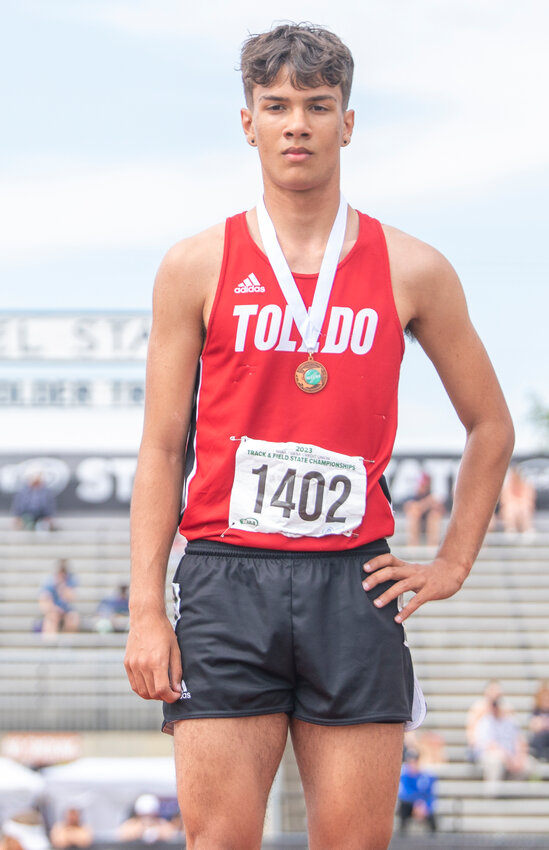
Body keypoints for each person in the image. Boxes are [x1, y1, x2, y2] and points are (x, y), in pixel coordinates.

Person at [124, 22, 514, 850]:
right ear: (247, 121)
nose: (295, 123)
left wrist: (451, 563)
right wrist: (144, 611)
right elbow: (162, 448)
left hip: (352, 583)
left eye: (316, 104)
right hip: (228, 578)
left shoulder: (413, 268)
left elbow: (490, 427)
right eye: (276, 105)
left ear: (346, 122)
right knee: (219, 841)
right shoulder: (195, 265)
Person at [471, 695, 531, 793]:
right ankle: (492, 794)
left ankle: (513, 792)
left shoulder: (511, 721)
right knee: (495, 761)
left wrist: (519, 757)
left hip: (511, 756)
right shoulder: (485, 722)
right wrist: (509, 758)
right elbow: (491, 745)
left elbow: (519, 740)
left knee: (528, 765)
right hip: (492, 755)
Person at [397, 749, 437, 834]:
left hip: (422, 806)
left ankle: (433, 838)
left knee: (432, 816)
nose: (412, 765)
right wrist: (416, 803)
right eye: (410, 762)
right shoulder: (404, 776)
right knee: (403, 807)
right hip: (410, 805)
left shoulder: (426, 776)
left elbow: (430, 795)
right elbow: (403, 794)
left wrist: (424, 806)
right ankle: (402, 835)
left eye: (414, 762)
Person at [403, 471, 445, 546]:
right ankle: (413, 548)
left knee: (434, 516)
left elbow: (441, 510)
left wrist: (422, 506)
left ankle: (432, 547)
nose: (421, 487)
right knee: (413, 514)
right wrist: (427, 503)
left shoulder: (433, 495)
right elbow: (408, 507)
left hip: (430, 524)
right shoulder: (413, 496)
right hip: (418, 523)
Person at [38, 559, 80, 635]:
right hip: (53, 610)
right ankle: (50, 643)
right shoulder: (49, 582)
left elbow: (71, 597)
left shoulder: (70, 580)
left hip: (66, 611)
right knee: (52, 618)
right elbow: (44, 601)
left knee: (73, 618)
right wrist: (54, 609)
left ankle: (67, 643)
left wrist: (63, 588)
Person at [499, 464, 536, 535]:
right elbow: (505, 500)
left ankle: (527, 529)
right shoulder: (507, 486)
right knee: (510, 508)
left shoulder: (527, 485)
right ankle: (511, 529)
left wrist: (519, 504)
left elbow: (529, 499)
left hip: (523, 509)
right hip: (511, 510)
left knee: (524, 507)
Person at [528, 680, 549, 762]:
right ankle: (541, 757)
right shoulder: (536, 711)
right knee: (539, 737)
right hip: (541, 739)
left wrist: (542, 723)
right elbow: (534, 726)